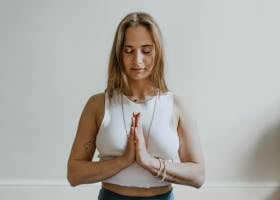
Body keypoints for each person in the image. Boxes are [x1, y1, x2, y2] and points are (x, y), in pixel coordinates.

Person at [67, 12, 205, 200]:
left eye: (146, 50)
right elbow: (74, 174)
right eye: (129, 50)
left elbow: (198, 176)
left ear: (157, 52)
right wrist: (123, 161)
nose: (137, 60)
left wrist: (148, 161)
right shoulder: (98, 105)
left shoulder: (177, 106)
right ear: (118, 53)